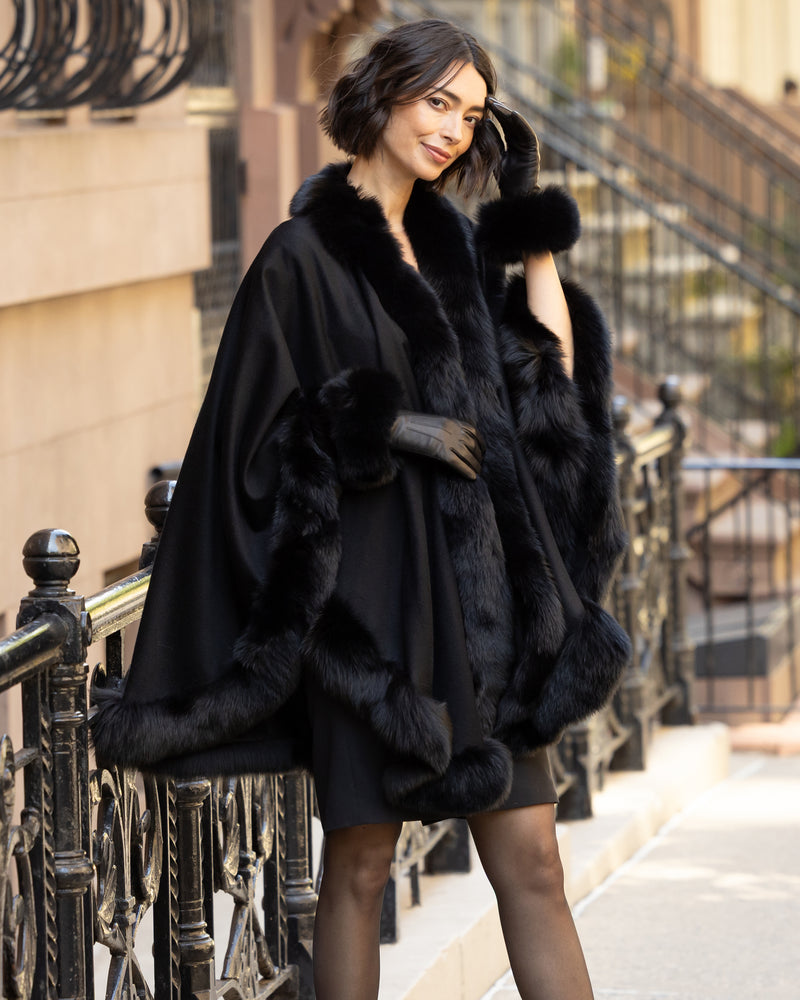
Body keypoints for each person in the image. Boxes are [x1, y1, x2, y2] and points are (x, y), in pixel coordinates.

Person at [92, 18, 631, 1000]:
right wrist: (387, 428)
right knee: (358, 870)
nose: (453, 131)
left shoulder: (452, 242)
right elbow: (247, 441)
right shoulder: (297, 257)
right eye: (437, 103)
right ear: (383, 92)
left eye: (470, 116)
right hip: (378, 614)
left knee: (536, 867)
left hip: (486, 614)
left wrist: (529, 217)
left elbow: (544, 389)